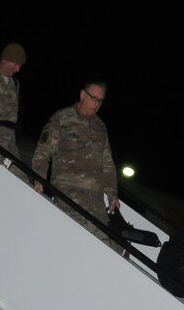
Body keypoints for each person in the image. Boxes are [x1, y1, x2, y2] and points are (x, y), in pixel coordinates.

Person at [29, 81, 121, 248]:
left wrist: (112, 194)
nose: (97, 104)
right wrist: (38, 179)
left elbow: (107, 163)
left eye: (100, 101)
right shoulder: (62, 118)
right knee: (89, 235)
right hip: (69, 190)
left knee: (111, 241)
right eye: (94, 98)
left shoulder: (100, 127)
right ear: (82, 95)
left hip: (95, 197)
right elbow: (43, 152)